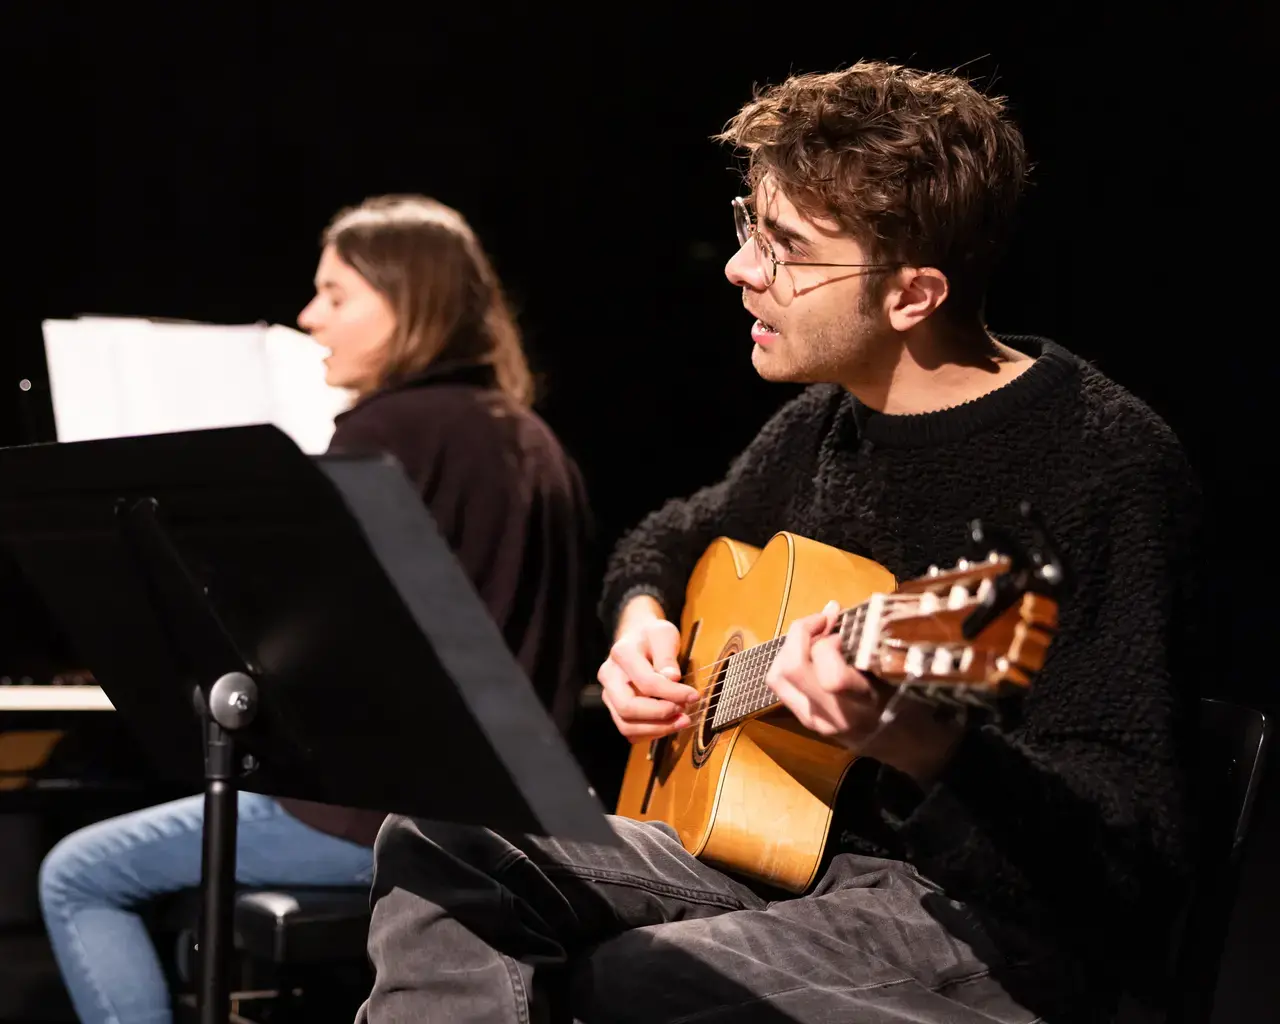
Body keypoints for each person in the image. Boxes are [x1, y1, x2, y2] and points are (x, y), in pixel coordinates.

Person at [355, 63, 1204, 1024]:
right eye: (749, 224)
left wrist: (921, 746)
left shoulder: (1102, 465)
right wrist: (641, 626)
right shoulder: (818, 428)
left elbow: (1130, 855)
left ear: (913, 295)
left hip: (985, 926)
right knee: (441, 833)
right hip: (781, 865)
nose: (741, 267)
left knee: (643, 975)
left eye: (787, 247)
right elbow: (668, 538)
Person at [38, 194, 594, 1024]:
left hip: (382, 819)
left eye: (336, 294)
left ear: (410, 300)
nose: (309, 317)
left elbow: (299, 651)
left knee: (76, 873)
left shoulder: (385, 433)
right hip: (512, 822)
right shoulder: (532, 437)